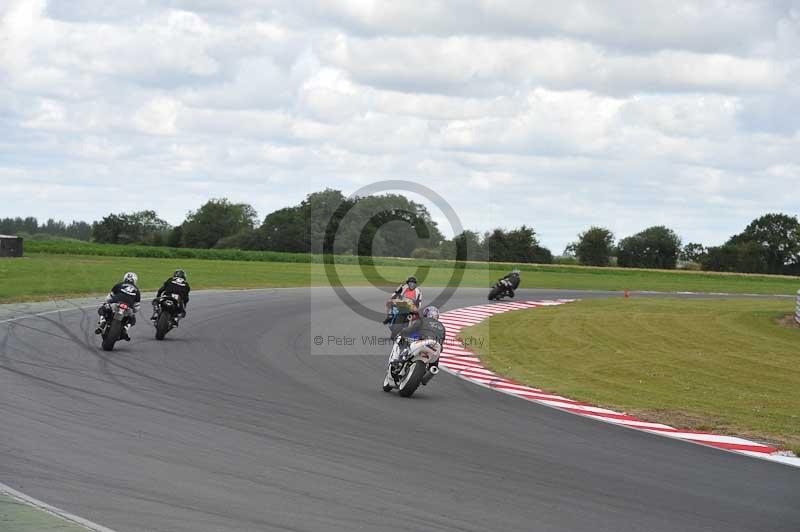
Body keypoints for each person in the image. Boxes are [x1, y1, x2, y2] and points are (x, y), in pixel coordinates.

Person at [94, 272, 141, 340]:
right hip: (128, 308)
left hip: (116, 304)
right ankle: (125, 329)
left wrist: (106, 303)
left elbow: (109, 297)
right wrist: (132, 311)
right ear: (135, 280)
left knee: (102, 308)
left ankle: (103, 321)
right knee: (133, 320)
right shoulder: (137, 290)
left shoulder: (119, 285)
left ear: (124, 278)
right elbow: (137, 307)